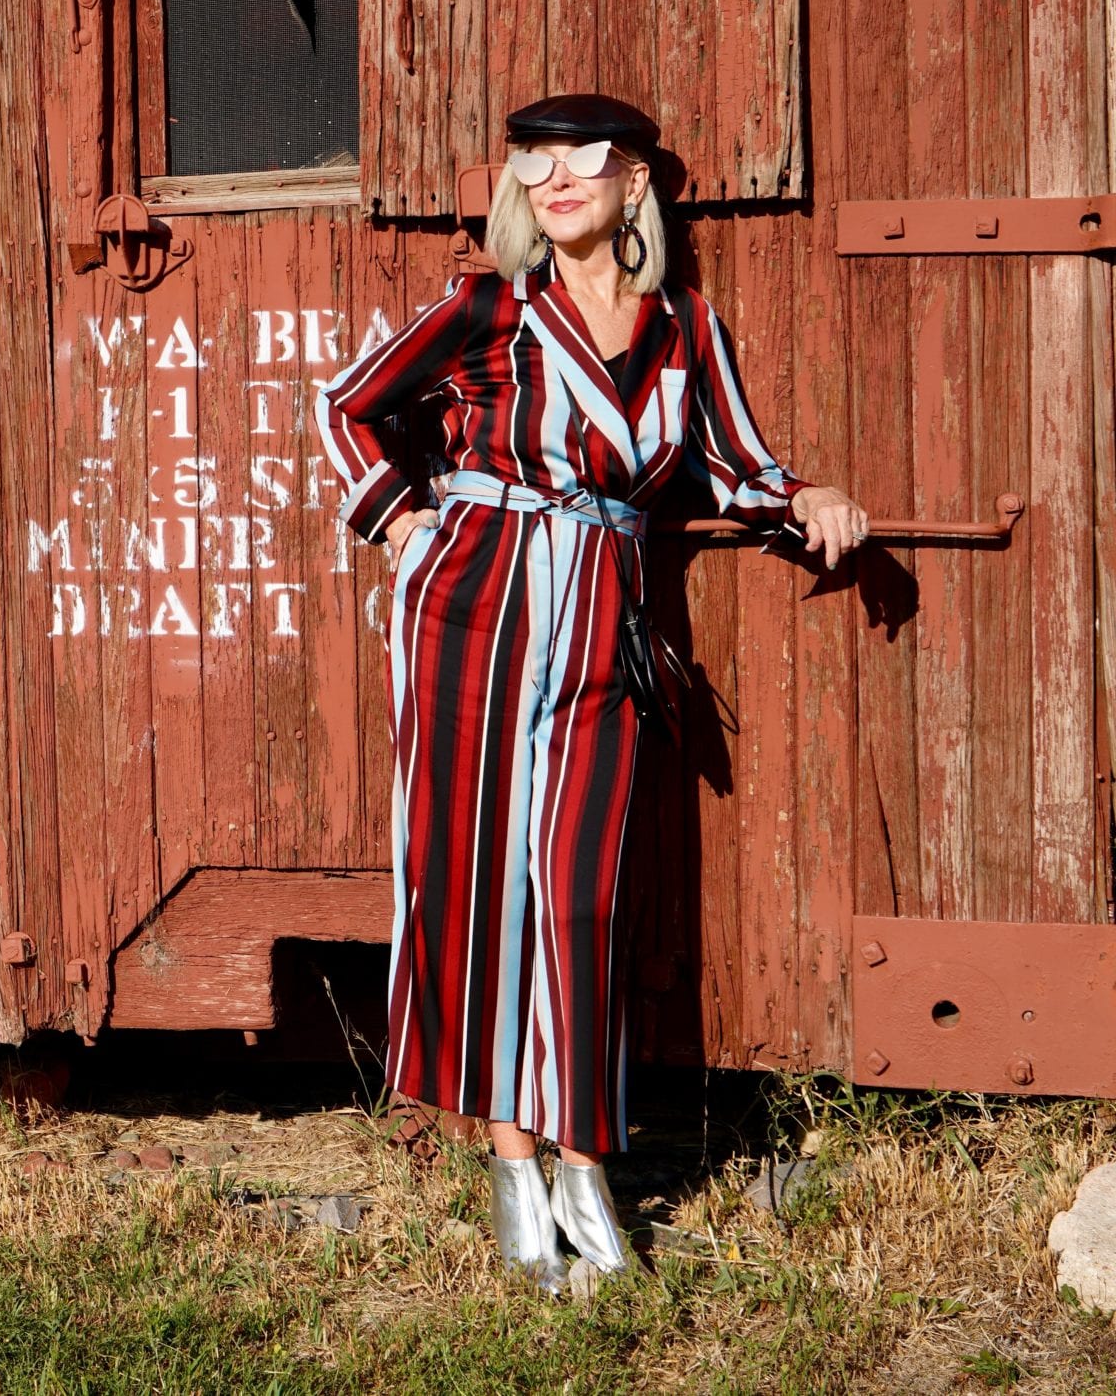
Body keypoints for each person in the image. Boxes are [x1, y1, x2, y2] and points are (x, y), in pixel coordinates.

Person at [314, 94, 867, 1291]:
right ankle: (509, 1160)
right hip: (470, 609)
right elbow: (345, 405)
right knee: (469, 879)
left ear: (631, 188)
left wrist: (809, 495)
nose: (552, 180)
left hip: (602, 625)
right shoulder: (483, 311)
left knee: (577, 894)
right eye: (532, 164)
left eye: (580, 163)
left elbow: (731, 462)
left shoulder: (683, 330)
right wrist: (400, 521)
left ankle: (581, 1161)